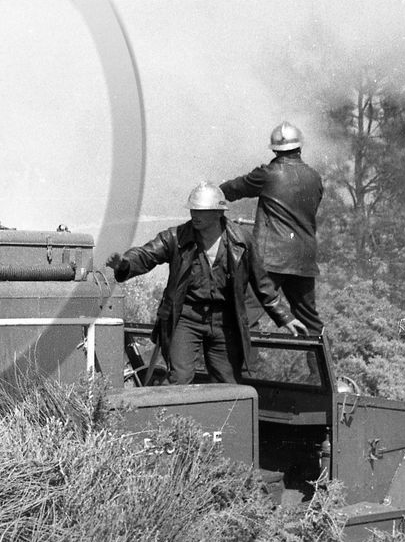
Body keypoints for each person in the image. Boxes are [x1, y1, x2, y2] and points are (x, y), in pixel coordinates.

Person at [106, 182, 306, 385]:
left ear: (218, 212)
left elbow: (262, 282)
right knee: (180, 379)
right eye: (193, 210)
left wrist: (285, 317)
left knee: (227, 383)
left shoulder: (242, 239)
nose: (195, 215)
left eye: (202, 211)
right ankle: (174, 417)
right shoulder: (176, 237)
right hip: (184, 317)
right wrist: (124, 264)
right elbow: (146, 254)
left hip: (225, 320)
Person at [219, 122, 325, 335]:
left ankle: (245, 368)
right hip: (303, 260)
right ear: (300, 148)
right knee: (311, 324)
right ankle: (320, 369)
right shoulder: (315, 177)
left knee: (245, 315)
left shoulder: (268, 173)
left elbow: (233, 189)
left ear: (275, 150)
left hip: (269, 260)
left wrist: (213, 195)